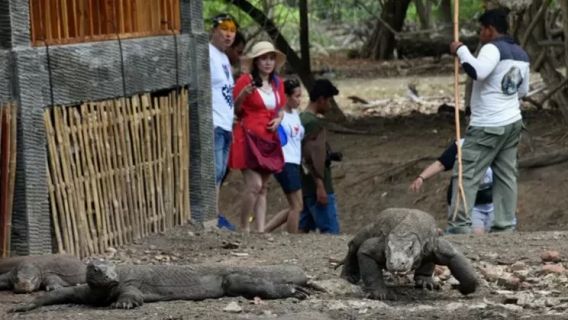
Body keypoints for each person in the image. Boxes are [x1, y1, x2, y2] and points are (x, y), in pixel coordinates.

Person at [448, 8, 529, 234]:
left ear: (490, 30)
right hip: (513, 121)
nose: (480, 34)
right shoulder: (520, 53)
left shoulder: (491, 48)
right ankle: (504, 226)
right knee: (505, 175)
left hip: (488, 124)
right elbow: (522, 90)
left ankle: (459, 226)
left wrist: (460, 50)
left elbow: (478, 71)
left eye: (481, 29)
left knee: (467, 172)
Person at [228, 41, 287, 233]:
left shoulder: (278, 83)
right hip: (248, 137)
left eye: (271, 58)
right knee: (254, 185)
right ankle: (244, 227)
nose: (268, 63)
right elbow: (235, 110)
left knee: (264, 187)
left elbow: (281, 109)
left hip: (269, 138)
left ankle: (260, 231)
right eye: (263, 58)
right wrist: (244, 95)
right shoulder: (245, 81)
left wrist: (279, 119)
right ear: (256, 62)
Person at [410, 139, 496, 234]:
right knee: (475, 234)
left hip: (493, 201)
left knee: (497, 235)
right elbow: (441, 164)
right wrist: (421, 177)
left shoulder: (499, 142)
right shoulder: (461, 145)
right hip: (467, 203)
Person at [299, 79, 341, 235]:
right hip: (318, 187)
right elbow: (312, 158)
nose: (329, 105)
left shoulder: (301, 119)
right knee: (331, 232)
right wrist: (320, 186)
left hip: (304, 186)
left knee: (302, 229)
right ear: (321, 99)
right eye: (329, 100)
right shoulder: (312, 123)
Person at [209, 13, 239, 230]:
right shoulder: (207, 54)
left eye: (232, 30)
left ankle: (216, 212)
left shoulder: (225, 58)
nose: (229, 34)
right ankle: (211, 214)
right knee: (215, 169)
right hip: (214, 121)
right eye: (224, 29)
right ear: (214, 30)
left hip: (227, 122)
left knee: (221, 172)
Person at [265, 79, 305, 233]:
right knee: (297, 206)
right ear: (286, 96)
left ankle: (264, 230)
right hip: (285, 161)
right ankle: (292, 238)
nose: (299, 100)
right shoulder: (279, 116)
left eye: (300, 96)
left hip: (295, 161)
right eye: (296, 96)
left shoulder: (295, 114)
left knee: (296, 205)